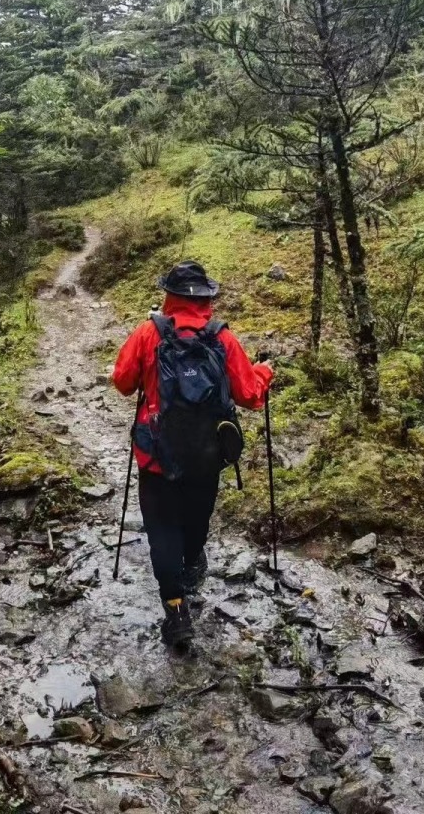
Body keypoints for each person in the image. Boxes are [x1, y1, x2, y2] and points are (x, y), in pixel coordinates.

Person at [112, 260, 275, 648]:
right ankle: (192, 565)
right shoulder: (223, 339)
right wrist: (265, 371)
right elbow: (250, 396)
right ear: (206, 299)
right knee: (196, 520)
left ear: (168, 295)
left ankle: (176, 609)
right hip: (207, 453)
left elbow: (122, 383)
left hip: (156, 457)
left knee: (162, 530)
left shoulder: (148, 334)